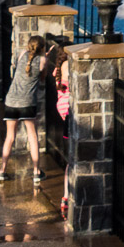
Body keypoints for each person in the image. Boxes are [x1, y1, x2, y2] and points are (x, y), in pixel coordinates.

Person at [0, 35, 47, 184]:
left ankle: (2, 171)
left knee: (10, 137)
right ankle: (36, 172)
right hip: (27, 102)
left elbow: (19, 69)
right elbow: (43, 78)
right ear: (42, 48)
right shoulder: (43, 60)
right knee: (32, 136)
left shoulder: (22, 55)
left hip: (11, 100)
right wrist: (46, 58)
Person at [48, 44, 72, 218]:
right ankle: (69, 195)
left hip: (62, 106)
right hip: (69, 109)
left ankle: (65, 196)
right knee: (74, 161)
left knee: (71, 161)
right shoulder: (68, 66)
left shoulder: (58, 67)